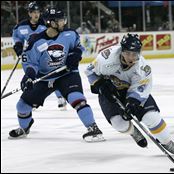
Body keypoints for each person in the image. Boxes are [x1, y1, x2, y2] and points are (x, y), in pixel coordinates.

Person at [8, 7, 105, 142]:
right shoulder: (35, 41)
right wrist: (29, 76)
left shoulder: (70, 34)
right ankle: (24, 128)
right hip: (44, 77)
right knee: (22, 106)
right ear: (50, 23)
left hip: (66, 74)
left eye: (62, 20)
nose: (63, 23)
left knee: (77, 98)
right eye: (59, 21)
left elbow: (78, 47)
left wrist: (75, 55)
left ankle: (93, 128)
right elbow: (31, 63)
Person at [85, 33, 174, 156]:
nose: (131, 58)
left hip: (131, 92)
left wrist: (132, 103)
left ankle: (167, 142)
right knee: (118, 123)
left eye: (134, 54)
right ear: (121, 50)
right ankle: (133, 131)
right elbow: (90, 71)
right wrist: (100, 85)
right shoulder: (106, 58)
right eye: (127, 53)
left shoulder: (143, 68)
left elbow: (141, 88)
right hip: (109, 92)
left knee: (151, 117)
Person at [12, 2, 67, 110]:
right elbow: (17, 38)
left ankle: (61, 97)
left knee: (52, 75)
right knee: (32, 78)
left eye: (38, 12)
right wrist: (18, 47)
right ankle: (32, 99)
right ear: (29, 13)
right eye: (33, 12)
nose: (36, 15)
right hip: (32, 55)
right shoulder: (21, 26)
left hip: (47, 54)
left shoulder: (45, 24)